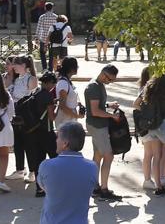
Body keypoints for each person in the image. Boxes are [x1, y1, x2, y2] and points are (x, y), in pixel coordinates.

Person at [37, 121, 97, 224]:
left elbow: (44, 187)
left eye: (58, 137)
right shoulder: (92, 167)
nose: (56, 141)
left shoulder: (46, 165)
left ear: (65, 143)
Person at [83, 64, 123, 202]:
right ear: (104, 74)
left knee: (98, 155)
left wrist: (108, 105)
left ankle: (95, 187)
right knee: (108, 156)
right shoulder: (94, 86)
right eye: (110, 79)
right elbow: (94, 111)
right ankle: (104, 190)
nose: (110, 82)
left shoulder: (98, 84)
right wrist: (112, 116)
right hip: (97, 126)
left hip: (97, 125)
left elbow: (98, 105)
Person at [27, 72, 60, 197]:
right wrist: (57, 107)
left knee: (39, 162)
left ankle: (39, 188)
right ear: (49, 82)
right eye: (53, 83)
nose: (54, 86)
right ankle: (57, 186)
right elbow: (52, 117)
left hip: (35, 131)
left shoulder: (35, 93)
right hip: (47, 132)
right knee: (56, 159)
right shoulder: (47, 95)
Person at [7, 57, 36, 181]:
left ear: (24, 65)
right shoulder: (17, 79)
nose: (14, 67)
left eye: (16, 64)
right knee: (18, 143)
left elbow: (31, 98)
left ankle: (32, 171)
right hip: (16, 113)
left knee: (29, 143)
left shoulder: (31, 79)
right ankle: (20, 169)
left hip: (27, 115)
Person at [54, 57, 82, 129]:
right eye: (76, 66)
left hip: (69, 119)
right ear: (72, 68)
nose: (78, 68)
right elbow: (62, 106)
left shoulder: (67, 81)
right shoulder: (63, 83)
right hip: (65, 120)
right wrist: (76, 116)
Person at [35, 2, 58, 71]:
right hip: (52, 39)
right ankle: (50, 69)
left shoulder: (42, 17)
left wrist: (37, 38)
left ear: (45, 8)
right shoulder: (56, 17)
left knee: (42, 54)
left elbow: (38, 28)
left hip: (43, 38)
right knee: (51, 54)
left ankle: (44, 68)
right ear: (52, 8)